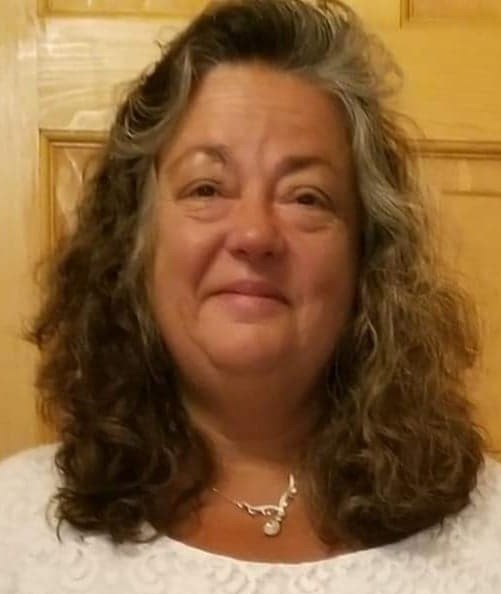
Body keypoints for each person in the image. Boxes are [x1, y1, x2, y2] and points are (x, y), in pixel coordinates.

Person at [1, 0, 500, 592]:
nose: (255, 234)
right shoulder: (16, 530)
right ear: (134, 242)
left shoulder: (488, 539)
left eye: (306, 197)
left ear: (367, 255)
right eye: (207, 188)